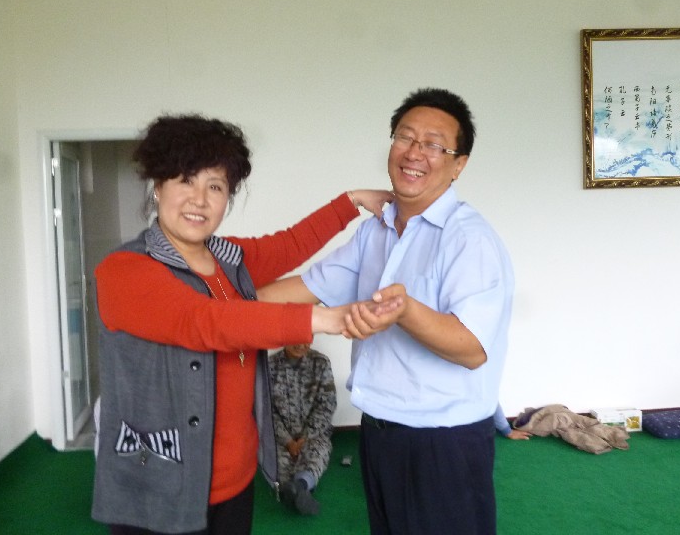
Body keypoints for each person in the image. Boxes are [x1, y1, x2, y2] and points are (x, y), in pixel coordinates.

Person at [90, 114, 398, 535]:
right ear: (158, 186)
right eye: (185, 180)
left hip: (235, 480)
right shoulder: (123, 271)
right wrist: (327, 318)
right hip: (159, 481)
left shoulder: (227, 258)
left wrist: (352, 201)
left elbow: (288, 245)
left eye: (215, 186)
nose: (199, 199)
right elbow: (206, 321)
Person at [259, 88, 515, 535]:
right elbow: (303, 289)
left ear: (459, 164)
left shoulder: (468, 239)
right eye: (405, 137)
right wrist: (212, 302)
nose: (414, 152)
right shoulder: (375, 231)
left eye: (433, 144)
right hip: (379, 431)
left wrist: (406, 310)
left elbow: (473, 348)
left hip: (442, 442)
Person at [268, 343, 336, 516]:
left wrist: (305, 437)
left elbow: (327, 405)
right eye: (294, 339)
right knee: (277, 462)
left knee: (317, 455)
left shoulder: (320, 363)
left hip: (314, 434)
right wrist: (287, 441)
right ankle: (293, 489)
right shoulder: (270, 366)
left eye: (305, 339)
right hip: (280, 437)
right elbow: (266, 411)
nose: (300, 345)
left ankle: (300, 486)